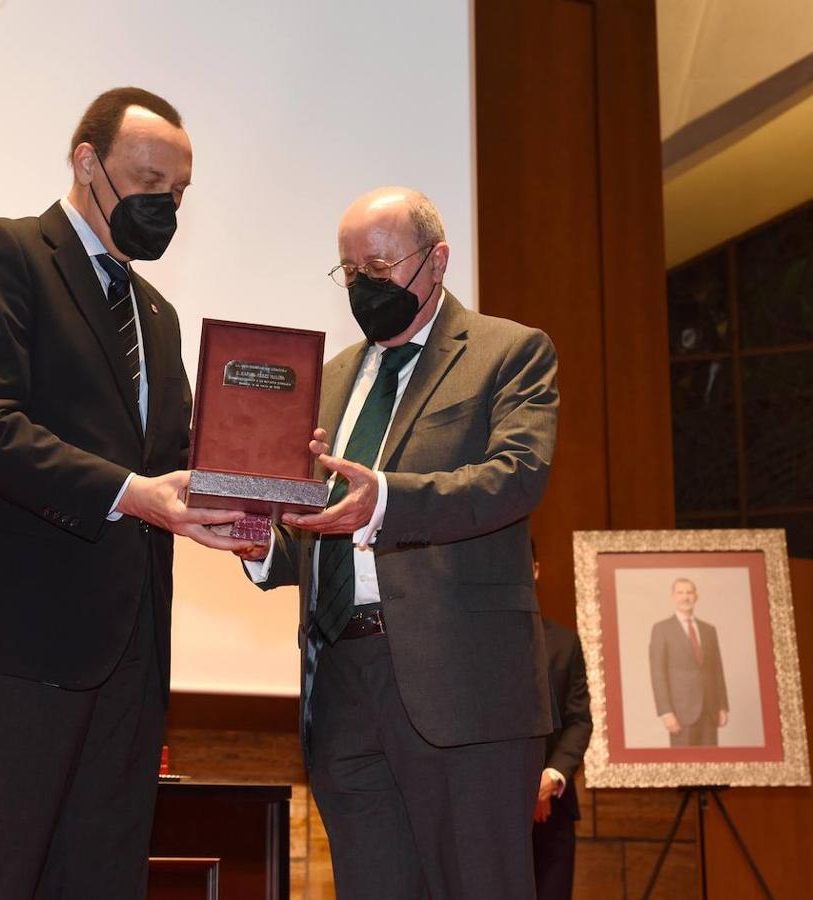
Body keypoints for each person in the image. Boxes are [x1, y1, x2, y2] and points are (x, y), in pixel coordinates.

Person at [0, 87, 251, 899]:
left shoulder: (154, 312)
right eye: (149, 182)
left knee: (100, 879)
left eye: (180, 193)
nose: (165, 207)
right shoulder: (2, 254)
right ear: (87, 162)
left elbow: (173, 462)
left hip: (126, 655)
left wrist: (257, 481)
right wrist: (133, 494)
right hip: (6, 646)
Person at [240, 186, 559, 899]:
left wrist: (384, 498)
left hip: (460, 686)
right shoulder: (327, 380)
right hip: (341, 684)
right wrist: (258, 539)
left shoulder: (509, 353)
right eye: (350, 271)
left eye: (379, 265)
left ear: (436, 259)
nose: (364, 285)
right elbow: (324, 526)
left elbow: (515, 477)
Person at [530, 547, 592, 900]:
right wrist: (524, 785)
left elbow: (579, 719)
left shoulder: (565, 642)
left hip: (554, 814)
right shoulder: (475, 642)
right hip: (493, 811)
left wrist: (549, 778)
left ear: (536, 569)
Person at [648, 577, 730, 747]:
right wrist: (666, 712)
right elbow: (658, 674)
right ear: (673, 597)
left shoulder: (709, 630)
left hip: (710, 711)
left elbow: (717, 670)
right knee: (683, 769)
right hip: (681, 714)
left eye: (689, 592)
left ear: (696, 596)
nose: (685, 597)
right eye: (680, 593)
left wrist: (722, 705)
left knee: (711, 766)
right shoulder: (661, 629)